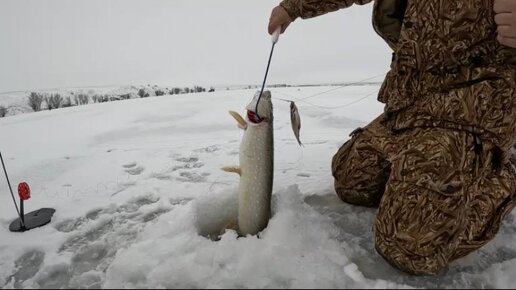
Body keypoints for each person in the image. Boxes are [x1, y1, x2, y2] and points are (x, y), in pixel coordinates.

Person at [268, 0, 516, 275]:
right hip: (411, 105)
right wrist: (293, 7)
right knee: (353, 179)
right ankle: (421, 173)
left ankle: (503, 174)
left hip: (471, 110)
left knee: (412, 246)